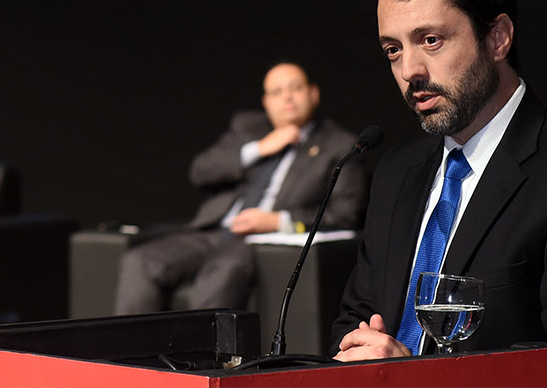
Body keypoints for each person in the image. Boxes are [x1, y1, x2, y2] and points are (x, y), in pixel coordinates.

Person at [330, 0, 547, 386]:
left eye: (430, 40)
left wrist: (413, 379)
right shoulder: (397, 173)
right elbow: (355, 323)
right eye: (393, 49)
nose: (409, 69)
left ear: (498, 38)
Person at [114, 61, 370, 314]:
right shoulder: (249, 128)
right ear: (266, 102)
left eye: (296, 88)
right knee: (140, 261)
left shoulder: (339, 145)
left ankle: (204, 357)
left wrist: (277, 220)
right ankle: (128, 354)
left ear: (313, 94)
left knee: (219, 275)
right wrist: (259, 148)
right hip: (215, 232)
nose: (287, 97)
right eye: (277, 92)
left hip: (262, 241)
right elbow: (201, 171)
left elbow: (346, 212)